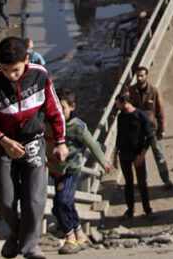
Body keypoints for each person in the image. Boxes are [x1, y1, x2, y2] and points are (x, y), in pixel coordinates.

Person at [0, 36, 68, 259]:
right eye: (6, 70)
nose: (11, 75)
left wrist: (60, 141)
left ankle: (29, 246)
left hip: (33, 142)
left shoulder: (40, 75)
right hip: (4, 144)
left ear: (26, 60)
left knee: (34, 198)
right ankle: (15, 233)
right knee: (4, 199)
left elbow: (54, 109)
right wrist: (2, 140)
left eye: (15, 70)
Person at [49, 89, 109, 255]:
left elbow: (92, 143)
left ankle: (70, 238)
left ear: (72, 107)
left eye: (63, 108)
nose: (59, 112)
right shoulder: (50, 124)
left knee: (62, 201)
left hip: (71, 169)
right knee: (62, 205)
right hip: (56, 170)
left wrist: (102, 161)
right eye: (56, 108)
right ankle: (80, 234)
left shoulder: (77, 126)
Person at [127, 66, 173, 190]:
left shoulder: (154, 91)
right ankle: (144, 181)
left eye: (142, 75)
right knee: (140, 156)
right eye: (138, 76)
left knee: (158, 154)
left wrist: (162, 128)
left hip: (152, 128)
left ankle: (166, 180)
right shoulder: (131, 91)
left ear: (146, 76)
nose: (140, 78)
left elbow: (160, 111)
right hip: (138, 129)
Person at [114, 93, 154, 219]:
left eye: (118, 104)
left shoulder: (140, 115)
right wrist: (115, 155)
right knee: (128, 183)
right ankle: (130, 210)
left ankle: (147, 210)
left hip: (137, 154)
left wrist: (141, 155)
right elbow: (119, 136)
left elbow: (149, 136)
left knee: (142, 183)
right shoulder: (121, 117)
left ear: (125, 103)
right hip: (124, 154)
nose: (117, 107)